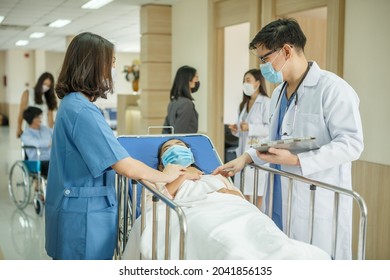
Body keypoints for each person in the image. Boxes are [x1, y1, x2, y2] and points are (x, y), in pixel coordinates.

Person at [213, 18, 364, 260]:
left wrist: (298, 161)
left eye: (264, 59)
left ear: (286, 50)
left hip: (314, 200)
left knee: (316, 262)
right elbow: (275, 141)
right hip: (281, 196)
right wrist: (246, 157)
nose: (263, 66)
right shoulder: (278, 94)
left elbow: (352, 144)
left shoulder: (333, 89)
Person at [45, 32, 185, 260]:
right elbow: (125, 167)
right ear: (93, 64)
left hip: (75, 210)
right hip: (83, 218)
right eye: (110, 63)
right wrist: (166, 176)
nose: (112, 70)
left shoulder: (73, 104)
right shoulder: (82, 110)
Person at [122, 137, 331, 260]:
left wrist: (215, 186)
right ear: (161, 163)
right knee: (230, 244)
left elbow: (237, 198)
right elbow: (155, 206)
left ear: (191, 154)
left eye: (180, 146)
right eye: (168, 149)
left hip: (236, 210)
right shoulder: (157, 179)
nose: (176, 149)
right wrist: (182, 175)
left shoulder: (213, 175)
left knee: (265, 233)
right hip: (197, 214)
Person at [228, 69, 270, 206]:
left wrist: (250, 127)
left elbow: (270, 129)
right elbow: (242, 132)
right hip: (244, 154)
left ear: (258, 83)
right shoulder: (243, 104)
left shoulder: (266, 103)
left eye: (248, 80)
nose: (245, 83)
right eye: (244, 80)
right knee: (244, 192)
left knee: (258, 193)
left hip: (258, 153)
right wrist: (236, 130)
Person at [16, 72, 57, 138]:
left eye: (48, 86)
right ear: (40, 82)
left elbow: (50, 118)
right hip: (31, 129)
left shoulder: (48, 98)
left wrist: (51, 132)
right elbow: (21, 112)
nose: (46, 87)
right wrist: (19, 127)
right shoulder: (28, 93)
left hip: (44, 129)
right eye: (44, 84)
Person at [162, 65, 200, 134]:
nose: (198, 80)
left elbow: (166, 129)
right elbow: (179, 132)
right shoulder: (186, 104)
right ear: (188, 79)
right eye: (196, 77)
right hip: (183, 143)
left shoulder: (173, 101)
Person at [20, 106, 52, 177]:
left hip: (51, 159)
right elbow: (36, 143)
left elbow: (56, 135)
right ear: (32, 119)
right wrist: (49, 143)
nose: (40, 119)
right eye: (38, 117)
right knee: (54, 166)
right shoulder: (26, 135)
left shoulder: (45, 129)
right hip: (37, 161)